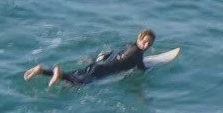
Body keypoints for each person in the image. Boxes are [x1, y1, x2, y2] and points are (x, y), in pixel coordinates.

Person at [24, 29, 158, 87]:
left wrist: (96, 59)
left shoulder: (130, 46)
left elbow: (112, 53)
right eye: (145, 42)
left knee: (72, 76)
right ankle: (57, 74)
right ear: (139, 39)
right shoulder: (137, 53)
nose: (146, 46)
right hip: (103, 70)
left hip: (100, 64)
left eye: (149, 44)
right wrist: (148, 70)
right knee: (80, 83)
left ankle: (42, 71)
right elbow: (141, 67)